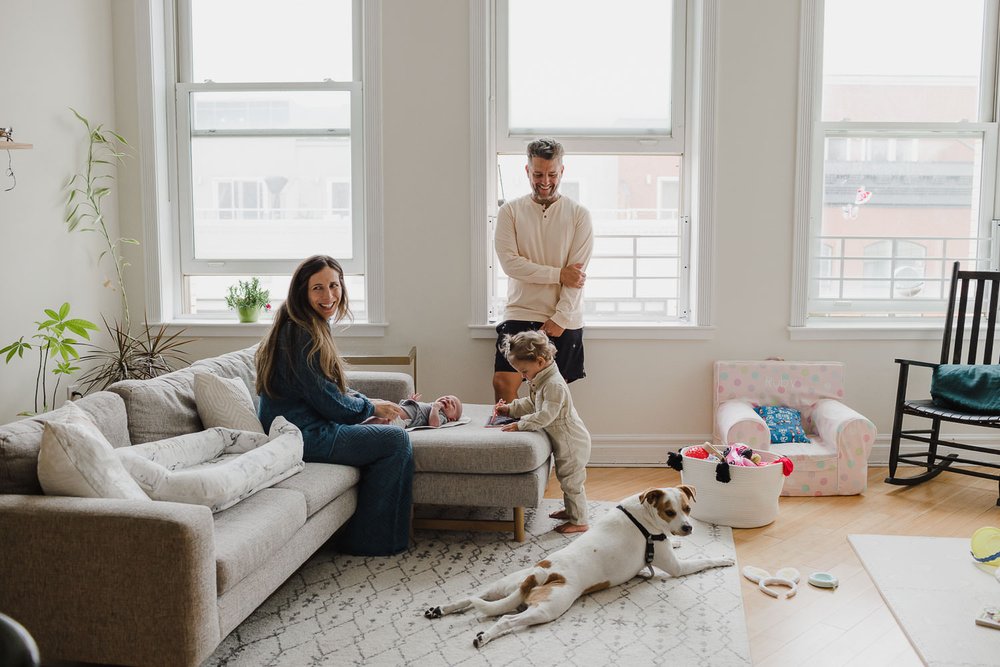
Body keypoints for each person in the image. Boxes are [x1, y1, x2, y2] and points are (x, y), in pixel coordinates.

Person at [255, 255, 413, 556]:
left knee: (386, 430)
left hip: (308, 425)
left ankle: (369, 532)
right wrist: (369, 409)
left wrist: (367, 403)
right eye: (317, 288)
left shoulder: (306, 323)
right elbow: (328, 401)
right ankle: (374, 541)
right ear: (302, 291)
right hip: (301, 435)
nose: (328, 296)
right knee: (395, 440)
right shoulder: (299, 334)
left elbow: (327, 387)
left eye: (333, 285)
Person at [493, 137, 594, 403]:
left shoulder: (579, 215)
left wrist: (560, 318)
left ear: (562, 171)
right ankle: (513, 445)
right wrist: (558, 274)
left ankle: (548, 446)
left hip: (564, 317)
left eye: (552, 174)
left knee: (552, 399)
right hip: (521, 310)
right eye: (538, 174)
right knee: (504, 383)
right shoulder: (510, 212)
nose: (545, 181)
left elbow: (577, 276)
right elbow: (510, 265)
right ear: (527, 171)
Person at [494, 330, 591, 534]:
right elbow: (532, 403)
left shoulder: (554, 384)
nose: (522, 377)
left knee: (572, 480)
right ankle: (572, 510)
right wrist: (510, 409)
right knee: (566, 479)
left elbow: (546, 415)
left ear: (539, 361)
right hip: (564, 440)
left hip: (572, 441)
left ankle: (580, 520)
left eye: (524, 371)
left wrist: (521, 424)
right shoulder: (542, 378)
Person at [398, 393, 463, 428]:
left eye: (452, 404)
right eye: (447, 397)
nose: (448, 400)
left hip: (401, 418)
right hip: (399, 409)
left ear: (452, 419)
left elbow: (434, 424)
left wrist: (435, 408)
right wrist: (413, 401)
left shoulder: (442, 416)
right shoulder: (430, 405)